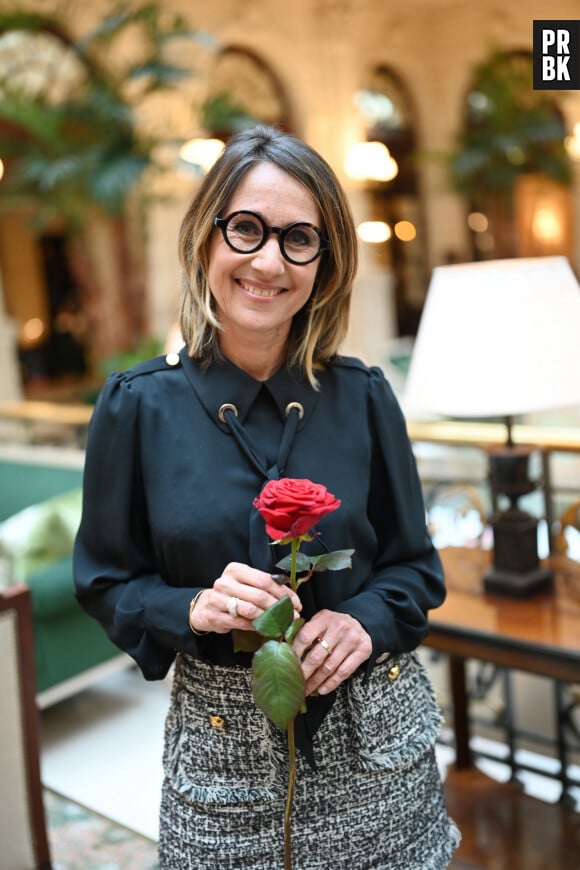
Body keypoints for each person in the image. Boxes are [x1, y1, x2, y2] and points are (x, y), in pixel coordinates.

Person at [74, 124, 460, 869]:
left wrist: (364, 621)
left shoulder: (366, 396)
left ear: (325, 261)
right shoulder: (134, 406)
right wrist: (187, 607)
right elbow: (105, 582)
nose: (268, 261)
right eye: (246, 229)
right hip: (220, 762)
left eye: (298, 239)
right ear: (206, 240)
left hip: (379, 748)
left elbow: (416, 567)